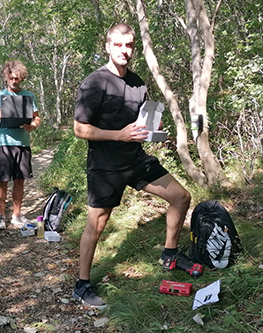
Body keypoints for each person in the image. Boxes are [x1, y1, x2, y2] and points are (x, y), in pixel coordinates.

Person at [72, 23, 196, 309]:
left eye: (129, 45)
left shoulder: (138, 82)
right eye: (118, 44)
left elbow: (138, 122)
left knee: (181, 197)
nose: (124, 50)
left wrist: (153, 128)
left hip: (136, 159)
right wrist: (118, 135)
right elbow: (80, 129)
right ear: (108, 46)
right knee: (98, 223)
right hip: (105, 165)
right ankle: (82, 284)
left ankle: (170, 254)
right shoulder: (95, 83)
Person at [0, 60, 41, 230]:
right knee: (2, 181)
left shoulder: (28, 96)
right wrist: (0, 115)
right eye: (11, 78)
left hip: (22, 144)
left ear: (21, 78)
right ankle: (1, 217)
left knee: (19, 181)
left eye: (17, 78)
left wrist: (32, 126)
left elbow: (37, 117)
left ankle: (16, 215)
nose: (14, 81)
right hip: (3, 145)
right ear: (6, 77)